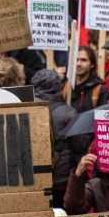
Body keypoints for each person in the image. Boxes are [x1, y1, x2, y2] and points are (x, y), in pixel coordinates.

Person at [32, 69, 77, 208]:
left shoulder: (29, 109)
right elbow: (79, 146)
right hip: (62, 178)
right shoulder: (68, 112)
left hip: (37, 176)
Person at [70, 45, 109, 112]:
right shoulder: (66, 87)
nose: (78, 64)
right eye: (76, 60)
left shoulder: (99, 90)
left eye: (83, 60)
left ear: (92, 64)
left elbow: (104, 118)